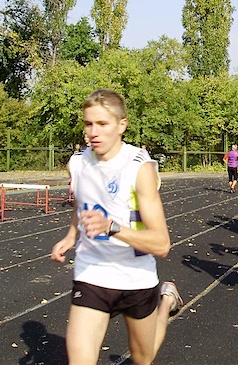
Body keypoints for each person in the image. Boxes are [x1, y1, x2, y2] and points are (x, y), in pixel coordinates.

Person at [50, 89, 182, 365]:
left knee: (142, 358)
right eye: (88, 124)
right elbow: (82, 204)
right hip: (92, 274)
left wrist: (112, 227)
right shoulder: (77, 163)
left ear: (122, 125)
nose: (93, 132)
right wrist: (71, 235)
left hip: (136, 278)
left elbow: (161, 244)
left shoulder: (138, 169)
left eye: (102, 124)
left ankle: (166, 302)